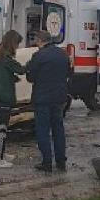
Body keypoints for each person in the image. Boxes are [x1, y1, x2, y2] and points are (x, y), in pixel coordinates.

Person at [26, 30, 71, 173]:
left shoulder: (38, 56)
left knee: (43, 130)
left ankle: (47, 162)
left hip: (42, 99)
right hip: (59, 98)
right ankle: (61, 161)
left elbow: (30, 77)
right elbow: (69, 73)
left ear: (40, 40)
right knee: (58, 129)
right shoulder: (63, 54)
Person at [0, 30, 26, 168]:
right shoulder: (6, 58)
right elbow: (21, 69)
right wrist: (33, 63)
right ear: (12, 43)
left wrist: (11, 77)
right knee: (2, 128)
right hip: (3, 97)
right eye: (17, 44)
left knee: (2, 126)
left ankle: (1, 153)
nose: (18, 47)